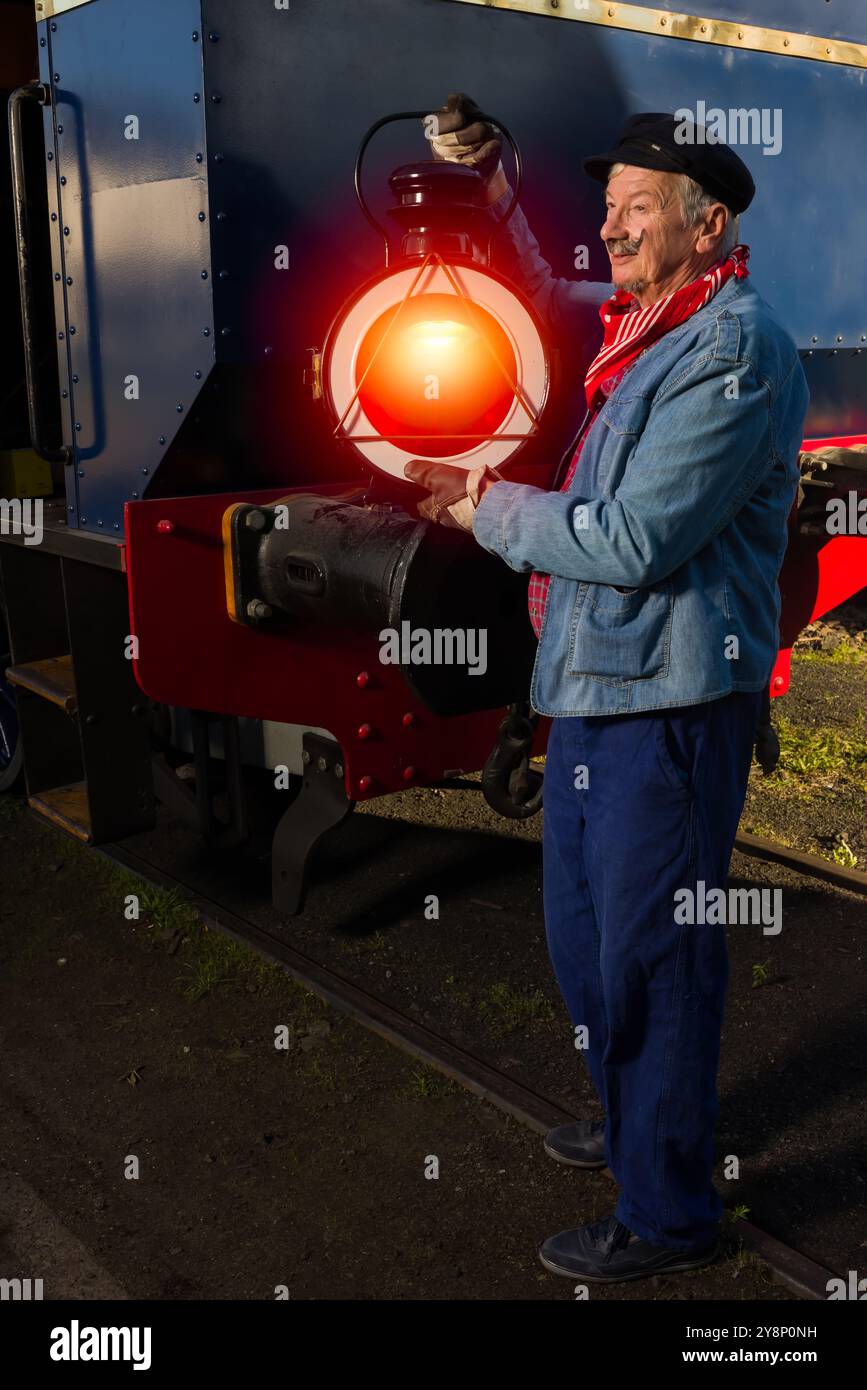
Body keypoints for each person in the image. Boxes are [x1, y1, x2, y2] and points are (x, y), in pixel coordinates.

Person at [408, 96, 809, 1283]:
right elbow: (543, 285)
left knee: (655, 957)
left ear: (709, 221)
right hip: (595, 688)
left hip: (672, 706)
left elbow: (635, 539)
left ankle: (671, 1209)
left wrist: (489, 508)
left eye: (638, 210)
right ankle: (636, 1120)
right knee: (585, 942)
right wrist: (490, 190)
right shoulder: (644, 325)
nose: (614, 230)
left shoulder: (732, 347)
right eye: (609, 211)